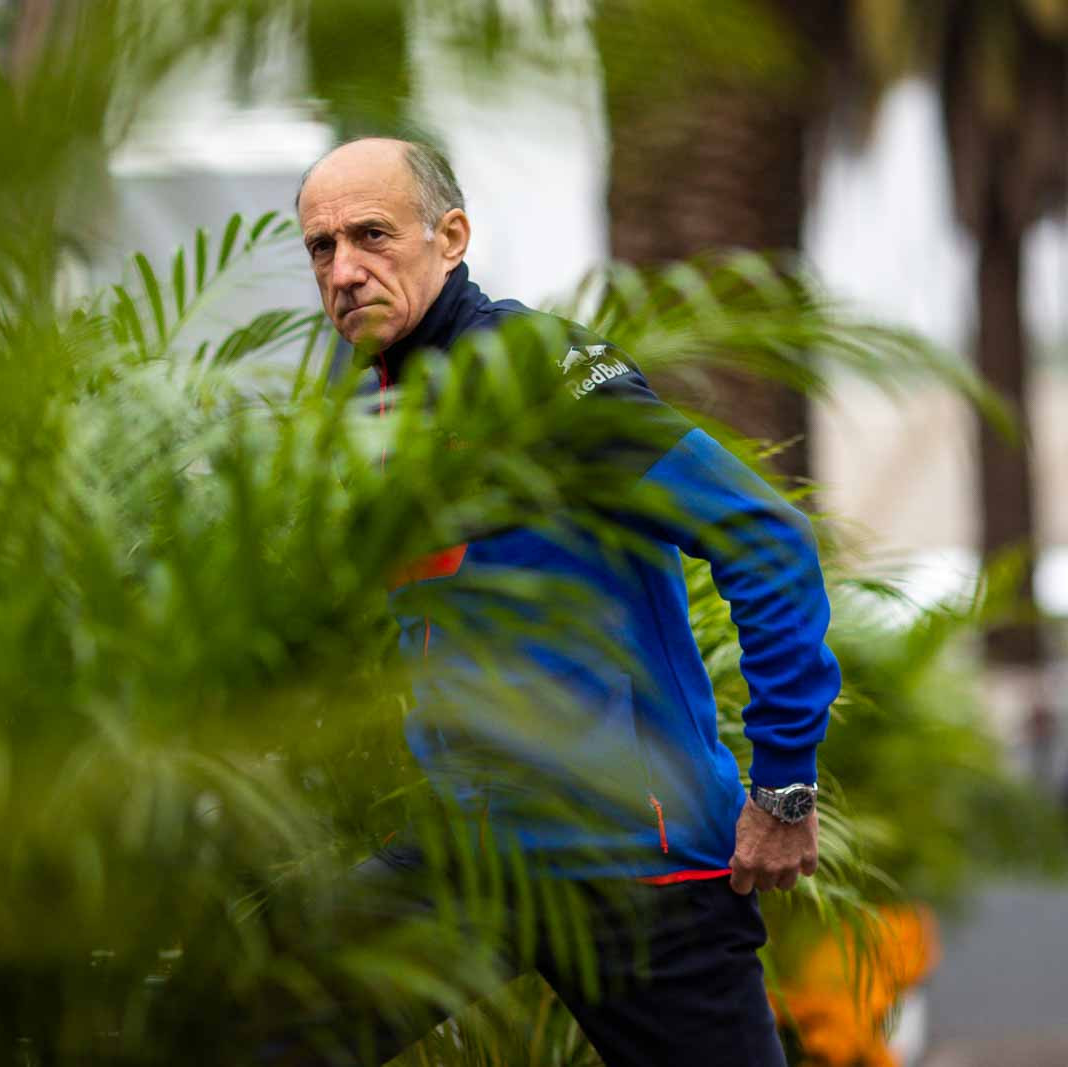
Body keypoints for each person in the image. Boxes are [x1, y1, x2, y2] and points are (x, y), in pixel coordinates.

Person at [277, 137, 841, 1066]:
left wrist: (782, 786)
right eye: (321, 248)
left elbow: (765, 536)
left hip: (632, 864)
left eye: (371, 236)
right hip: (466, 857)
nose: (344, 271)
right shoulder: (370, 401)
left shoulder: (537, 367)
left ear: (450, 236)